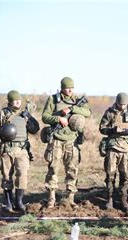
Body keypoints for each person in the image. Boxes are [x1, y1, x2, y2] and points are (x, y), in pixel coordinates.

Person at [42, 77, 91, 208]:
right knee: (53, 169)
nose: (70, 90)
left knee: (72, 169)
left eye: (72, 88)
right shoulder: (53, 99)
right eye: (67, 87)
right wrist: (59, 118)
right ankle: (51, 198)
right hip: (57, 140)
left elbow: (87, 112)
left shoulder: (76, 100)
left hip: (71, 140)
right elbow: (45, 117)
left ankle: (70, 199)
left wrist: (72, 109)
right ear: (62, 88)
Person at [0, 90, 40, 212]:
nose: (18, 102)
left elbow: (35, 129)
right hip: (6, 150)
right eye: (15, 100)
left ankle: (19, 202)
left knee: (22, 175)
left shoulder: (24, 114)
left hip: (22, 150)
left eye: (19, 99)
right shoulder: (2, 114)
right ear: (9, 101)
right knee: (6, 177)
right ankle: (8, 202)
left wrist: (28, 117)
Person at [99, 92, 128, 213]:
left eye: (124, 104)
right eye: (120, 104)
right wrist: (112, 130)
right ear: (116, 102)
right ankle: (109, 198)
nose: (122, 106)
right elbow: (102, 128)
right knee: (110, 174)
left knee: (125, 176)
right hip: (112, 148)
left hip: (126, 149)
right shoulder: (110, 112)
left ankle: (123, 199)